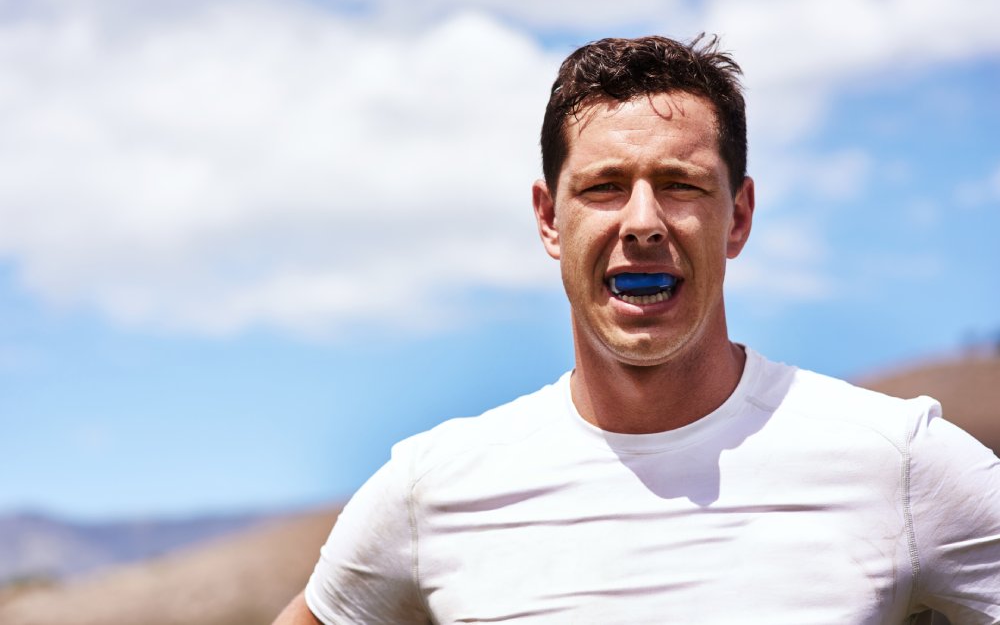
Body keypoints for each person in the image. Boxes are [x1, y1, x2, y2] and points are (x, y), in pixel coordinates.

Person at [274, 35, 1000, 624]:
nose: (643, 222)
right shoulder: (431, 489)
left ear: (738, 216)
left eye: (681, 184)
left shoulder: (900, 462)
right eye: (604, 186)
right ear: (549, 218)